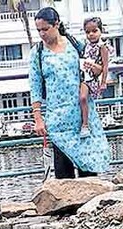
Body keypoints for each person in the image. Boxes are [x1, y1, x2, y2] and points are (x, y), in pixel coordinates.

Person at [30, 7, 111, 179]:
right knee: (63, 171)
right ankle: (68, 206)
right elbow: (35, 85)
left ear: (56, 24)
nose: (42, 34)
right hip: (57, 118)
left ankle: (92, 204)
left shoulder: (75, 44)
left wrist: (95, 69)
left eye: (45, 29)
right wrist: (38, 118)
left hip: (81, 115)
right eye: (38, 30)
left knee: (88, 167)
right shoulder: (37, 53)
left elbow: (95, 70)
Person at [79, 17, 113, 137]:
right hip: (84, 75)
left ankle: (86, 125)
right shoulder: (86, 45)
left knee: (85, 99)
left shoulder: (102, 46)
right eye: (88, 32)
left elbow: (105, 65)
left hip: (93, 77)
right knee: (82, 98)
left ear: (100, 30)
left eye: (94, 31)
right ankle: (84, 124)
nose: (91, 34)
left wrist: (103, 82)